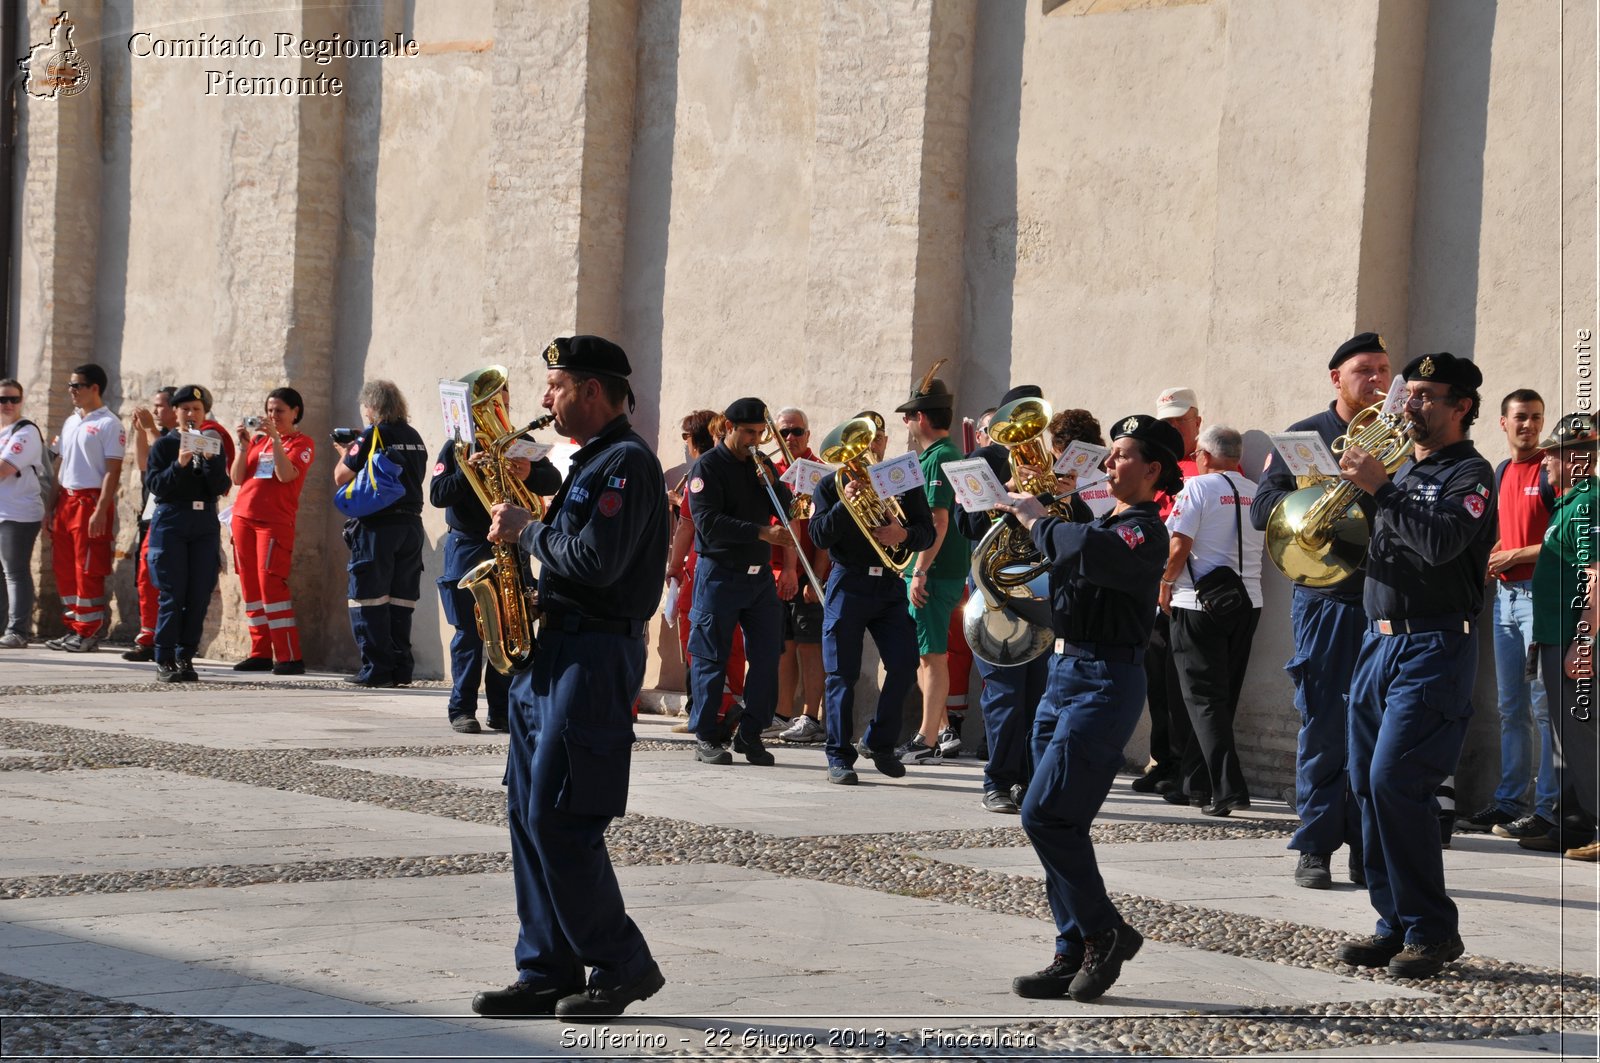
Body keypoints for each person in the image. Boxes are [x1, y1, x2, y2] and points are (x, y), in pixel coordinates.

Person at [474, 334, 667, 1021]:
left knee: (562, 813)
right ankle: (546, 965)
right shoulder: (590, 463)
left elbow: (596, 560)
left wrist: (527, 531)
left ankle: (622, 962)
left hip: (593, 656)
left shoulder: (626, 466)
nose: (543, 399)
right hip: (552, 651)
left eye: (554, 386)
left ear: (590, 390)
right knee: (528, 813)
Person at [999, 413, 1183, 1003]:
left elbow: (1090, 550)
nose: (1108, 463)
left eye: (1122, 455)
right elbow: (1062, 576)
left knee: (1044, 815)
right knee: (1059, 819)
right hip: (1063, 671)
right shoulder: (1098, 524)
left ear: (1152, 470)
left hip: (1105, 680)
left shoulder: (1143, 531)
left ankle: (1106, 931)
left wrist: (1040, 519)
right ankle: (1071, 946)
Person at [1334, 351, 1495, 979]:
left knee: (1399, 782)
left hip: (1433, 646)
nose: (1412, 405)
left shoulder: (1471, 473)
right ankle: (1393, 921)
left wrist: (1382, 487)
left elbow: (1441, 543)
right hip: (1377, 643)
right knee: (1368, 788)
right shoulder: (1401, 469)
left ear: (1462, 407)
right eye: (1413, 393)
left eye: (1429, 396)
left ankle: (1431, 929)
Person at [1250, 331, 1391, 889]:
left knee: (1377, 732)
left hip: (1382, 596)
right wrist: (1318, 498)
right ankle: (1315, 845)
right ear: (1337, 378)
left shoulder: (1401, 438)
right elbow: (1264, 507)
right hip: (1326, 599)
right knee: (1325, 722)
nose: (1377, 380)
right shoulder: (1306, 435)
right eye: (1365, 370)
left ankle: (1365, 846)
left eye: (1384, 369)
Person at [429, 371, 560, 733]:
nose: (500, 404)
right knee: (469, 632)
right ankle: (462, 708)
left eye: (503, 397)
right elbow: (438, 494)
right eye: (492, 399)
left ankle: (502, 710)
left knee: (511, 624)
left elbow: (554, 483)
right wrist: (465, 472)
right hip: (469, 543)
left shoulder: (520, 441)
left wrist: (529, 472)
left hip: (511, 544)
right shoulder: (457, 445)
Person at [807, 416, 935, 785]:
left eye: (876, 438)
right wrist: (845, 505)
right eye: (863, 440)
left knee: (904, 663)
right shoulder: (832, 485)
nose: (870, 447)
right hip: (849, 582)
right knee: (841, 674)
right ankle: (838, 756)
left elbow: (926, 532)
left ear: (884, 441)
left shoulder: (901, 476)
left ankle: (878, 742)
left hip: (889, 586)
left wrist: (903, 533)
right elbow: (818, 535)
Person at [1459, 391, 1556, 838]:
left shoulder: (1552, 470)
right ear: (1503, 423)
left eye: (1536, 418)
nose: (1529, 426)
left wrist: (1516, 552)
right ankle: (1507, 802)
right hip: (1504, 600)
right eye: (1521, 418)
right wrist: (1496, 551)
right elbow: (1507, 526)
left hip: (1541, 596)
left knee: (1543, 707)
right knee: (1509, 706)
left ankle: (1548, 810)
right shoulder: (1500, 471)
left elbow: (1565, 540)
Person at [1159, 425, 1265, 815]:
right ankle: (1196, 784)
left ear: (1203, 455)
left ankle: (1228, 787)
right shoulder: (1256, 491)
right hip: (1248, 603)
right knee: (1223, 698)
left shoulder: (1197, 488)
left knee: (1202, 700)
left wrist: (1166, 582)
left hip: (1198, 603)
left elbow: (1179, 543)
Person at [684, 398, 794, 767]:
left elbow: (784, 508)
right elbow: (708, 522)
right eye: (749, 432)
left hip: (758, 577)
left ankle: (750, 732)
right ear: (729, 427)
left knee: (767, 656)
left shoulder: (759, 464)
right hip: (719, 573)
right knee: (710, 655)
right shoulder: (708, 467)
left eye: (761, 434)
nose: (755, 440)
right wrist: (761, 532)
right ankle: (705, 734)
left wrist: (779, 484)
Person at [1529, 414, 1600, 862]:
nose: (1546, 464)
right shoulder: (1569, 503)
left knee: (1584, 737)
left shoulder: (1589, 503)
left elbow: (1596, 576)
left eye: (1552, 455)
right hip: (1556, 636)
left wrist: (1584, 643)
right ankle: (1577, 825)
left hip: (1575, 640)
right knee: (1569, 739)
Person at [895, 368, 971, 762]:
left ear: (921, 417)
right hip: (934, 567)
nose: (906, 424)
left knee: (932, 654)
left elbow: (938, 521)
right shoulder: (938, 455)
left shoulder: (940, 457)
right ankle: (935, 731)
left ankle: (927, 738)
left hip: (935, 570)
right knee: (926, 654)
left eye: (908, 416)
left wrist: (920, 569)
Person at [335, 380, 429, 687]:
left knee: (368, 597)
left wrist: (344, 453)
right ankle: (401, 668)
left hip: (379, 525)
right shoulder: (414, 436)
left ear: (372, 406)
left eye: (365, 405)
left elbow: (341, 476)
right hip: (411, 525)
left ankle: (376, 669)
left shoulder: (373, 434)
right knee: (401, 599)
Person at [1131, 387, 1200, 793]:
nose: (1174, 429)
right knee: (1156, 681)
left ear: (1197, 422)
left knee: (1179, 687)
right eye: (1166, 424)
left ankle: (1181, 765)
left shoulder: (1199, 470)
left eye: (1180, 421)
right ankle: (1162, 759)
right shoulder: (1154, 468)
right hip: (1150, 589)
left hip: (1181, 591)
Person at [666, 411, 748, 733]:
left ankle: (709, 711)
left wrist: (673, 567)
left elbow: (687, 525)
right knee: (725, 643)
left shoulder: (705, 471)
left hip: (703, 569)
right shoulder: (738, 471)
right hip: (732, 571)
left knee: (700, 641)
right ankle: (721, 708)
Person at [144, 385, 231, 682]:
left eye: (196, 410)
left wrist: (208, 462)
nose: (191, 415)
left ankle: (186, 654)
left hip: (204, 521)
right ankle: (164, 656)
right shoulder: (164, 446)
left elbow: (220, 486)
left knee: (199, 593)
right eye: (185, 409)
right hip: (172, 519)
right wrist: (179, 463)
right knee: (172, 592)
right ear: (175, 412)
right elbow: (155, 486)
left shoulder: (211, 443)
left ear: (204, 413)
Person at [229, 387, 318, 677]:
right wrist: (243, 446)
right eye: (269, 410)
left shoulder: (302, 443)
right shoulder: (257, 441)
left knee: (271, 586)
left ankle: (289, 656)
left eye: (279, 411)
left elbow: (285, 474)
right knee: (251, 588)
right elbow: (237, 477)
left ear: (295, 412)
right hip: (243, 518)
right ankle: (260, 652)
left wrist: (277, 441)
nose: (272, 416)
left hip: (274, 523)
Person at [46, 363, 125, 652]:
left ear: (94, 388)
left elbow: (112, 471)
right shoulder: (71, 421)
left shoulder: (109, 423)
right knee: (65, 567)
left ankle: (89, 630)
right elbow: (61, 465)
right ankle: (73, 627)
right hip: (66, 501)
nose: (71, 391)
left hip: (89, 501)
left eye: (77, 386)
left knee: (88, 567)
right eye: (70, 385)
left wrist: (101, 509)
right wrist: (51, 506)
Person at [770, 407, 831, 744]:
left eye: (797, 432)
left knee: (810, 645)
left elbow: (823, 533)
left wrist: (815, 577)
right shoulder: (770, 470)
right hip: (775, 572)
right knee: (783, 645)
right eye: (784, 432)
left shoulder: (817, 472)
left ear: (808, 435)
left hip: (807, 572)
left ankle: (810, 715)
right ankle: (781, 713)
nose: (790, 438)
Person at [124, 387, 177, 660]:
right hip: (151, 513)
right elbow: (144, 463)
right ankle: (148, 635)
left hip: (171, 515)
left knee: (162, 578)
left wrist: (150, 430)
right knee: (145, 576)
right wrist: (139, 432)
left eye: (161, 406)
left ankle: (163, 637)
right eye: (154, 406)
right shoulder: (161, 435)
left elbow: (167, 457)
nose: (156, 411)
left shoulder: (179, 438)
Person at [0, 379, 48, 648]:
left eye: (13, 399)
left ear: (22, 400)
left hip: (18, 513)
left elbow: (4, 468)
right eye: (2, 400)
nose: (8, 404)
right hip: (2, 511)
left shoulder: (25, 431)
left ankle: (18, 629)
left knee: (15, 571)